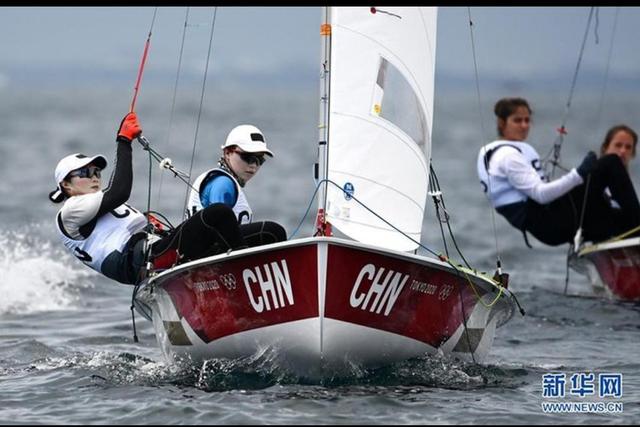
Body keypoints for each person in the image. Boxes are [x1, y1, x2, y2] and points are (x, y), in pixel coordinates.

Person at [49, 112, 248, 285]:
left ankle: (247, 274)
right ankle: (241, 276)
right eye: (85, 173)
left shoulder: (96, 203)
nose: (94, 177)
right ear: (66, 184)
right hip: (144, 261)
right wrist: (124, 141)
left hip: (156, 249)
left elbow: (114, 206)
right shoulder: (70, 211)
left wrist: (148, 223)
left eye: (97, 172)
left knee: (261, 231)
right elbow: (119, 192)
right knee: (218, 214)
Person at [477, 97, 640, 246]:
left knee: (612, 212)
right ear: (501, 123)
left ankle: (620, 238)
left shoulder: (502, 150)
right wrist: (579, 173)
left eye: (527, 120)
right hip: (548, 224)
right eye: (517, 120)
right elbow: (541, 194)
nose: (524, 125)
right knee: (610, 162)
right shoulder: (507, 156)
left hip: (550, 220)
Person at [186, 124, 287, 247]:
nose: (254, 165)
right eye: (247, 157)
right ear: (228, 153)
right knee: (274, 232)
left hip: (207, 249)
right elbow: (218, 226)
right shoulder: (223, 183)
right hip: (207, 252)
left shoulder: (224, 180)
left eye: (260, 160)